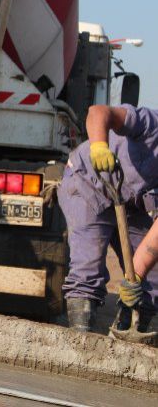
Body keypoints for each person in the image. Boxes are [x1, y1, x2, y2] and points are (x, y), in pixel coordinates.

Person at [58, 103, 158, 332]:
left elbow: (155, 239)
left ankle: (127, 337)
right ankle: (79, 342)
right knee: (88, 269)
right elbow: (98, 112)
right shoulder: (151, 124)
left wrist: (136, 277)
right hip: (87, 184)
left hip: (129, 204)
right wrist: (99, 146)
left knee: (150, 284)